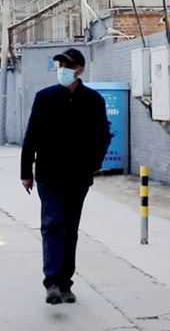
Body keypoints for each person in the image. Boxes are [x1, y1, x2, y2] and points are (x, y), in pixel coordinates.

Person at [20, 48, 111, 305]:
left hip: (78, 176)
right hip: (48, 174)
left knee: (70, 229)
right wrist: (26, 171)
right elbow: (32, 135)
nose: (62, 71)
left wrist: (93, 165)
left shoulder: (93, 100)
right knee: (52, 225)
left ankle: (65, 283)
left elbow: (102, 136)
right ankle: (51, 282)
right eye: (60, 66)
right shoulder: (45, 97)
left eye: (67, 66)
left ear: (79, 70)